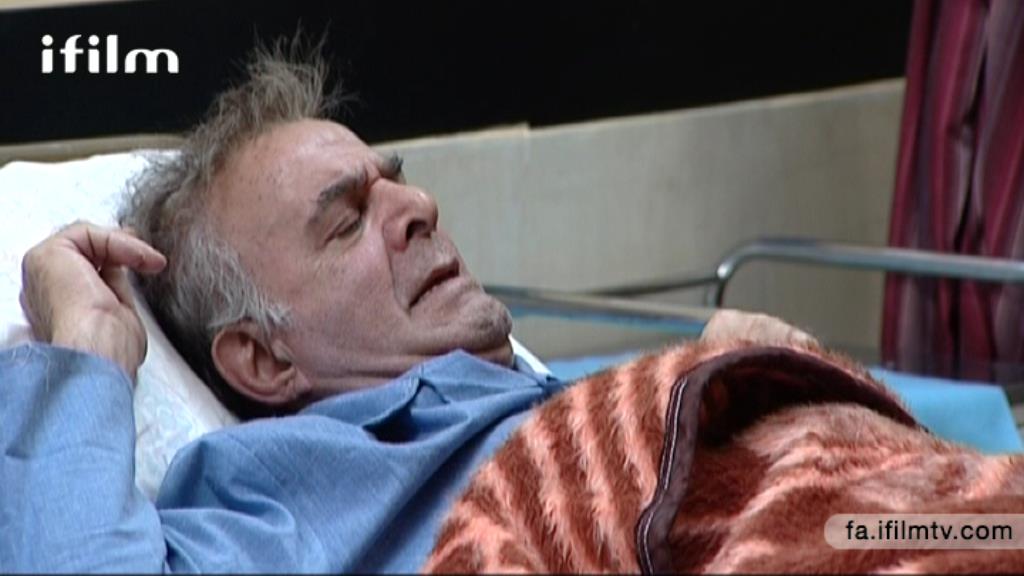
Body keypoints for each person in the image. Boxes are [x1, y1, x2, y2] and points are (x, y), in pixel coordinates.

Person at [2, 40, 810, 573]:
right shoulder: (298, 488)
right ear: (264, 358)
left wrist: (718, 390)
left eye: (395, 181)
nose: (420, 206)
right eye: (347, 220)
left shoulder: (553, 399)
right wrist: (85, 353)